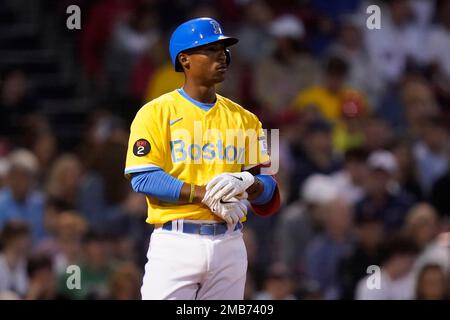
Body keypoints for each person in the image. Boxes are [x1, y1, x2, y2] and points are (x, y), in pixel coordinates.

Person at [124, 17, 280, 300]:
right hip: (175, 241)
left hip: (230, 243)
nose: (221, 55)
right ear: (184, 60)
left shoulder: (247, 119)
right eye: (210, 49)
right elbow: (143, 177)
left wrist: (248, 182)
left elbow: (270, 192)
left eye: (223, 49)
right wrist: (203, 194)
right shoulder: (155, 112)